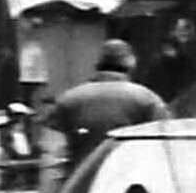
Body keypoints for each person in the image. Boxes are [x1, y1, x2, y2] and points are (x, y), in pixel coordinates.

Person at [44, 41, 170, 174]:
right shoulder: (148, 99)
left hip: (83, 181)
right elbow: (166, 147)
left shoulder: (68, 99)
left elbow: (52, 155)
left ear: (98, 64)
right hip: (131, 180)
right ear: (131, 63)